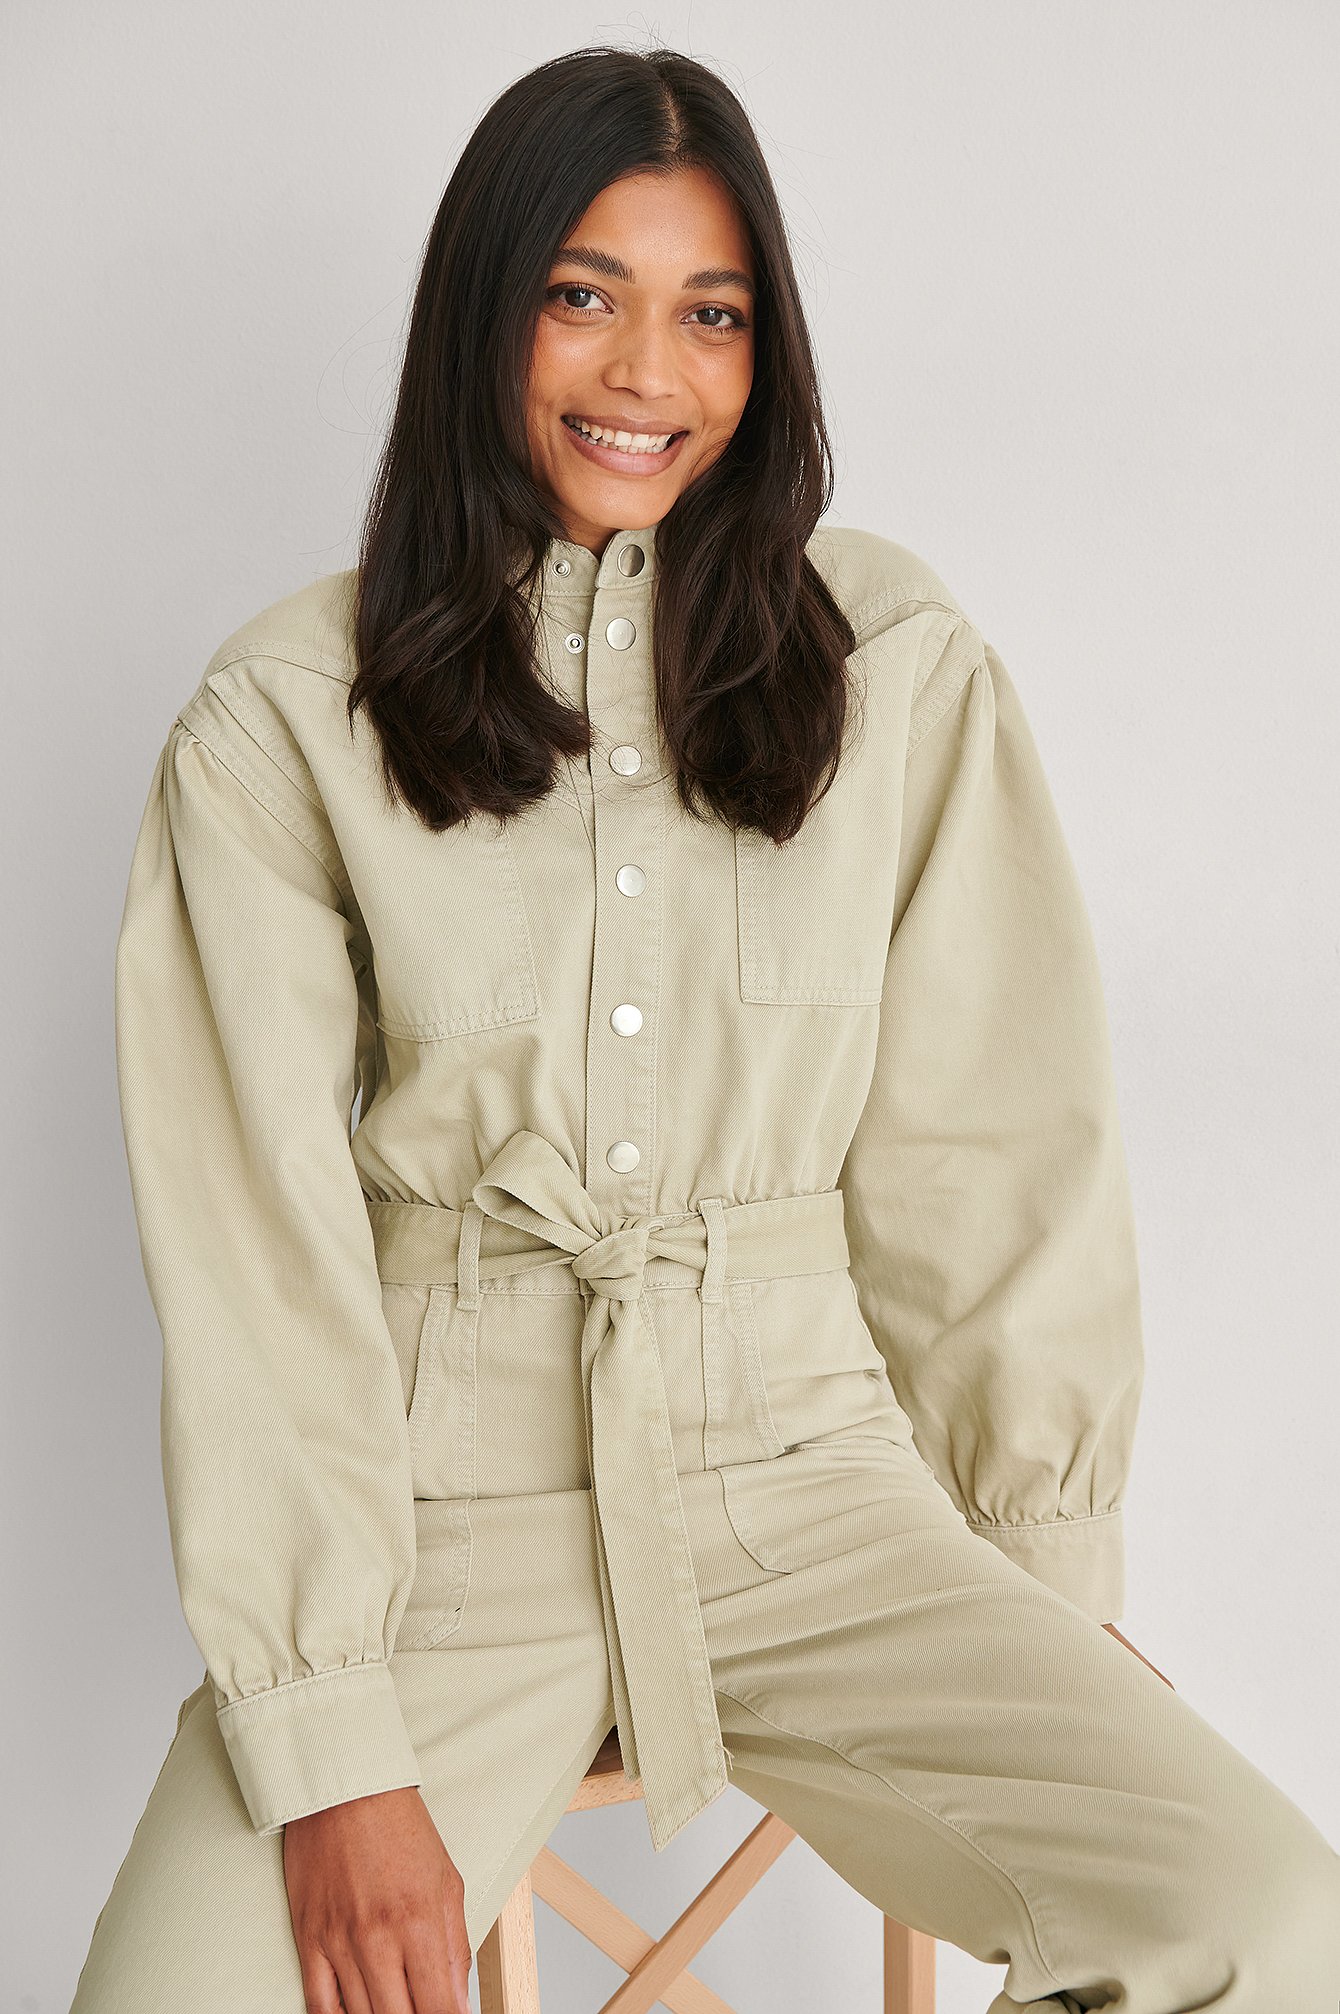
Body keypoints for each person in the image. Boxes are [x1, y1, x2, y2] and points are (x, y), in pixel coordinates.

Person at [71, 42, 1339, 2014]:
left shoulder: (892, 664)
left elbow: (989, 1156)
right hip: (440, 1528)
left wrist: (1043, 1583)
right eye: (583, 296)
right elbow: (258, 1259)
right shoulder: (284, 716)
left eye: (714, 314)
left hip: (818, 1491)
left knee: (1264, 1920)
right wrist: (327, 1745)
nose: (647, 373)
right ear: (484, 314)